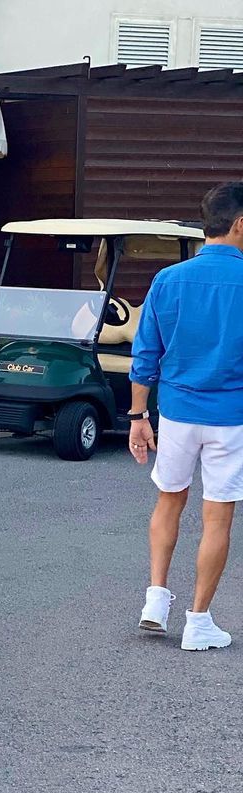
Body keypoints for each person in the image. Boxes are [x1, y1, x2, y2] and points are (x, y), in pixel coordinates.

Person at [131, 182, 243, 651]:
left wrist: (138, 414)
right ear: (240, 224)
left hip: (176, 411)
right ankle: (198, 622)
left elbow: (146, 353)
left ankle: (156, 599)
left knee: (169, 500)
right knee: (217, 517)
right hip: (231, 416)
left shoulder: (168, 279)